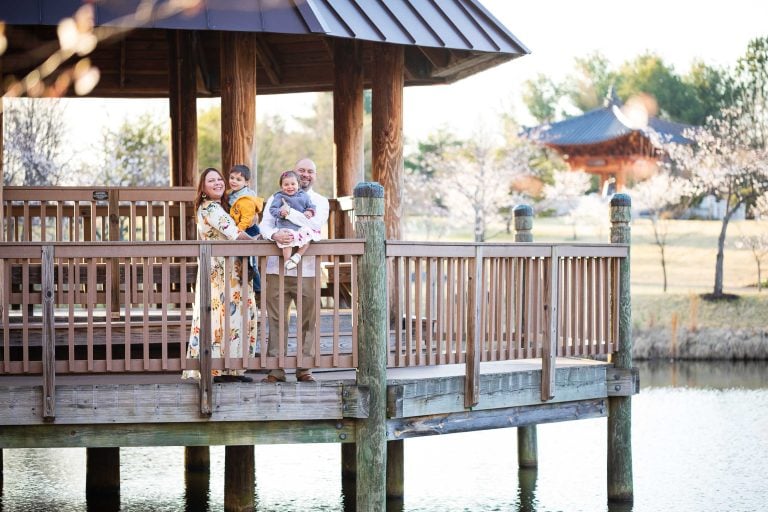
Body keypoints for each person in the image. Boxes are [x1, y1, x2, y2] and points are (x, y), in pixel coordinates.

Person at [182, 167, 258, 383]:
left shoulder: (220, 207)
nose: (218, 183)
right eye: (211, 180)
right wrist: (264, 239)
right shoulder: (211, 209)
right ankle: (217, 369)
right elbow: (235, 235)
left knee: (233, 316)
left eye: (219, 179)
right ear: (203, 188)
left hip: (230, 269)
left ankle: (231, 369)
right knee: (223, 316)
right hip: (221, 272)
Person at [259, 158, 329, 383]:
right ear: (292, 174)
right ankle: (276, 369)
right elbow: (265, 225)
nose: (306, 174)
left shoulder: (319, 201)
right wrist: (274, 235)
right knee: (277, 319)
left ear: (314, 176)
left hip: (307, 270)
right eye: (302, 170)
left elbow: (313, 227)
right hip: (276, 268)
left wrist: (287, 214)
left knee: (308, 320)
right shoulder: (275, 197)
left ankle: (304, 368)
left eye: (310, 171)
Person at [268, 170, 321, 270]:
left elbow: (311, 206)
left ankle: (297, 255)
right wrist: (280, 212)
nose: (290, 187)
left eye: (293, 184)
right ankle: (287, 260)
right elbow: (273, 209)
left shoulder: (304, 195)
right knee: (287, 240)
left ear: (298, 184)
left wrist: (309, 212)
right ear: (281, 186)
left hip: (300, 227)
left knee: (309, 235)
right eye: (286, 184)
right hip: (286, 226)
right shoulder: (279, 196)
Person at [227, 164, 264, 292]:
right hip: (240, 228)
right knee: (240, 258)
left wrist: (238, 230)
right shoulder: (232, 194)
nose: (234, 181)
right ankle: (242, 283)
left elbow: (247, 219)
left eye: (238, 179)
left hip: (248, 229)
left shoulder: (246, 198)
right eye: (232, 178)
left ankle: (258, 288)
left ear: (246, 182)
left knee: (250, 261)